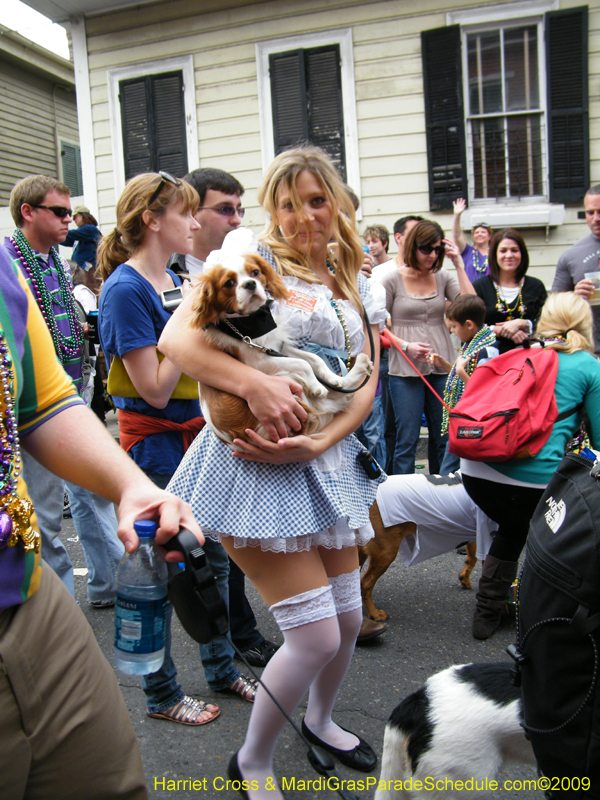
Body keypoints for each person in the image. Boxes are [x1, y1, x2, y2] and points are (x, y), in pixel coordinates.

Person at [159, 145, 387, 800]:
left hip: (324, 463)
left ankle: (319, 719)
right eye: (287, 203)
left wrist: (321, 445)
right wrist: (251, 389)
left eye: (316, 200)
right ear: (271, 209)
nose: (302, 216)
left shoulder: (353, 276)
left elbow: (365, 382)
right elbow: (177, 343)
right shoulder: (247, 256)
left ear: (336, 203)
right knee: (313, 635)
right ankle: (252, 759)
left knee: (346, 622)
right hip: (252, 468)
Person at [0, 244, 204, 800]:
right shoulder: (124, 289)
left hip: (21, 589)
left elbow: (43, 401)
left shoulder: (2, 263)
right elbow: (156, 383)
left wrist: (129, 484)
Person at [97, 171, 224, 724]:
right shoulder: (125, 289)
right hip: (155, 449)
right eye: (185, 212)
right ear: (153, 219)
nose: (195, 222)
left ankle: (220, 669)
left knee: (211, 560)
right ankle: (162, 695)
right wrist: (188, 324)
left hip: (193, 438)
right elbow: (152, 386)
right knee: (160, 575)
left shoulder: (173, 276)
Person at [168, 166, 281, 672]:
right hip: (170, 434)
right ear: (193, 212)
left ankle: (236, 642)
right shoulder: (190, 281)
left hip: (216, 428)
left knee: (227, 546)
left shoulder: (224, 272)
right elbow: (163, 366)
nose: (236, 219)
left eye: (240, 208)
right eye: (224, 209)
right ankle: (176, 675)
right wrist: (236, 374)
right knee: (186, 560)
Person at [4, 175, 125, 607]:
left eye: (70, 212)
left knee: (91, 488)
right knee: (45, 513)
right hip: (34, 411)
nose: (68, 221)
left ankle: (108, 583)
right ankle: (57, 607)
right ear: (28, 212)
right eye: (59, 212)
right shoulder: (8, 261)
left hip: (75, 389)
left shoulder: (55, 258)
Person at [461, 292, 600, 640]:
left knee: (514, 526)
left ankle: (487, 611)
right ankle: (546, 613)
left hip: (475, 468)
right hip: (533, 480)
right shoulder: (588, 365)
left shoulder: (526, 354)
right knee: (554, 536)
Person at [381, 220, 475, 475]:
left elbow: (471, 306)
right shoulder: (392, 279)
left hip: (441, 368)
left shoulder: (443, 277)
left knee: (444, 436)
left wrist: (458, 264)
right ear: (413, 247)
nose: (432, 255)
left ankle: (441, 493)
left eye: (437, 250)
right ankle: (402, 502)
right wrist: (406, 346)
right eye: (426, 249)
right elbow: (378, 324)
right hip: (405, 370)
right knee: (407, 440)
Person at [431, 294, 499, 475]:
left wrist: (460, 372)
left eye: (453, 327)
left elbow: (485, 391)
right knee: (451, 461)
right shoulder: (472, 343)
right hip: (462, 418)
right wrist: (447, 366)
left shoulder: (487, 350)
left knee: (452, 467)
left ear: (469, 324)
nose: (452, 331)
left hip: (472, 422)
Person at [472, 228, 547, 355]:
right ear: (494, 254)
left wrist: (524, 323)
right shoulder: (480, 286)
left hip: (529, 358)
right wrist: (499, 330)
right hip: (489, 360)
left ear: (522, 254)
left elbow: (548, 323)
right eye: (503, 251)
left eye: (514, 250)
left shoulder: (536, 286)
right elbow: (470, 326)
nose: (509, 255)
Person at [551, 184, 600, 355]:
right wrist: (574, 296)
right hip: (587, 351)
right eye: (590, 212)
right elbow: (554, 309)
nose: (596, 218)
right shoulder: (571, 256)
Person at [452, 198, 492, 282]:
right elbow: (457, 236)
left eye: (483, 232)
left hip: (490, 293)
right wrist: (457, 215)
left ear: (489, 236)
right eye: (476, 232)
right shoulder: (468, 252)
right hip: (471, 293)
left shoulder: (495, 252)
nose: (479, 234)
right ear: (473, 236)